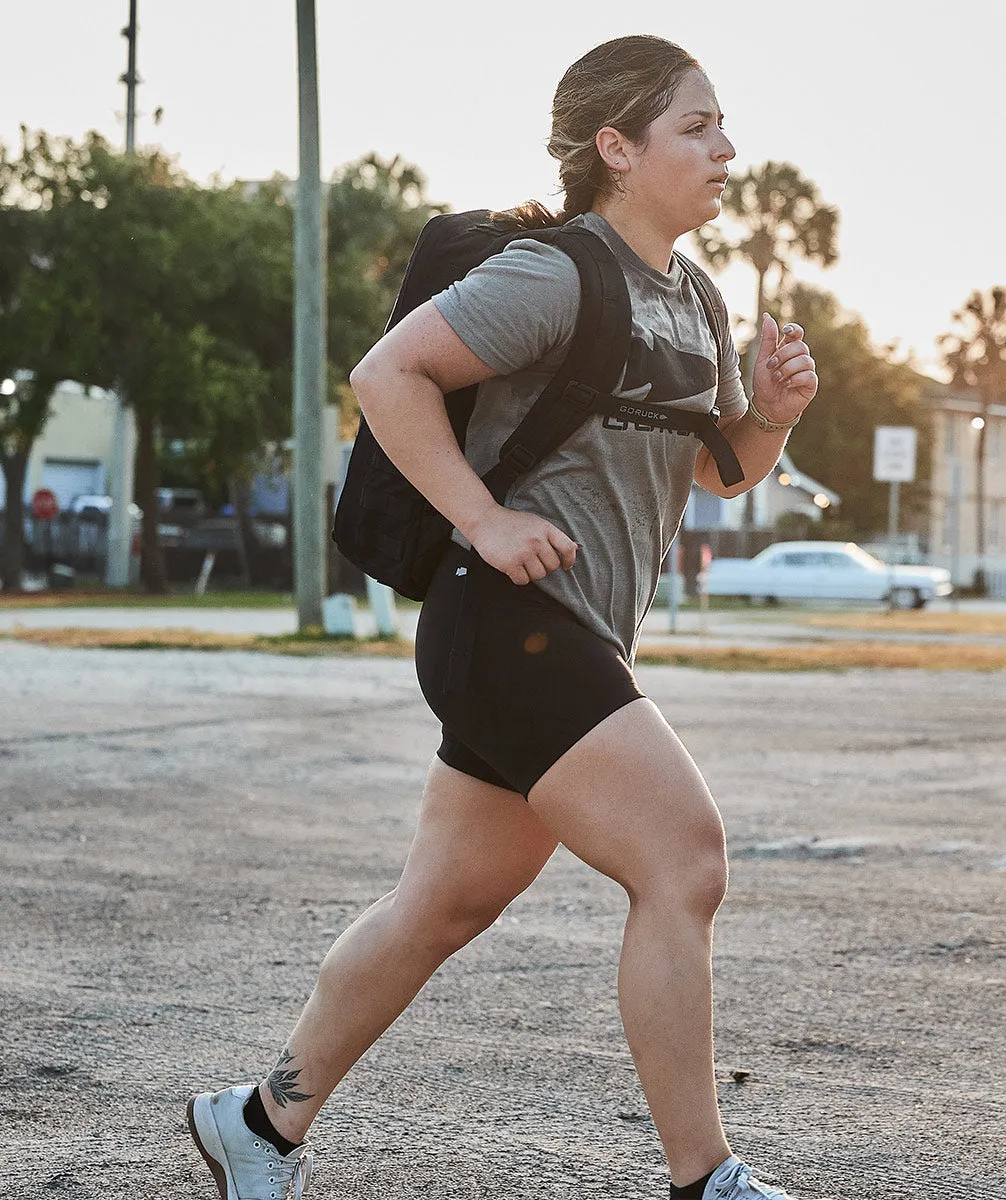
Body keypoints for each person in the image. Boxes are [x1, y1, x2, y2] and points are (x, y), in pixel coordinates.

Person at [188, 33, 819, 1200]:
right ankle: (707, 1181)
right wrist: (481, 520)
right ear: (616, 149)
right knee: (684, 858)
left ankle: (256, 1124)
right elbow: (387, 376)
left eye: (725, 124)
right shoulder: (554, 273)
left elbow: (717, 469)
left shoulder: (696, 298)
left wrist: (771, 417)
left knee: (443, 902)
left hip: (567, 630)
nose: (726, 147)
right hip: (511, 622)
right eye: (697, 126)